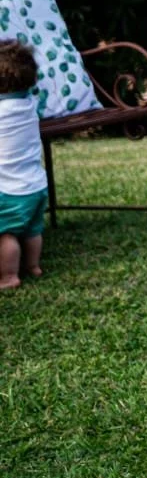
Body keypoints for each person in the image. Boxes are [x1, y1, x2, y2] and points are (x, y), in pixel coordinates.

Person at [0, 39, 46, 291]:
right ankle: (33, 266)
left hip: (9, 191)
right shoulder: (29, 106)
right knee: (32, 231)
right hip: (36, 186)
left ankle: (9, 276)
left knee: (4, 234)